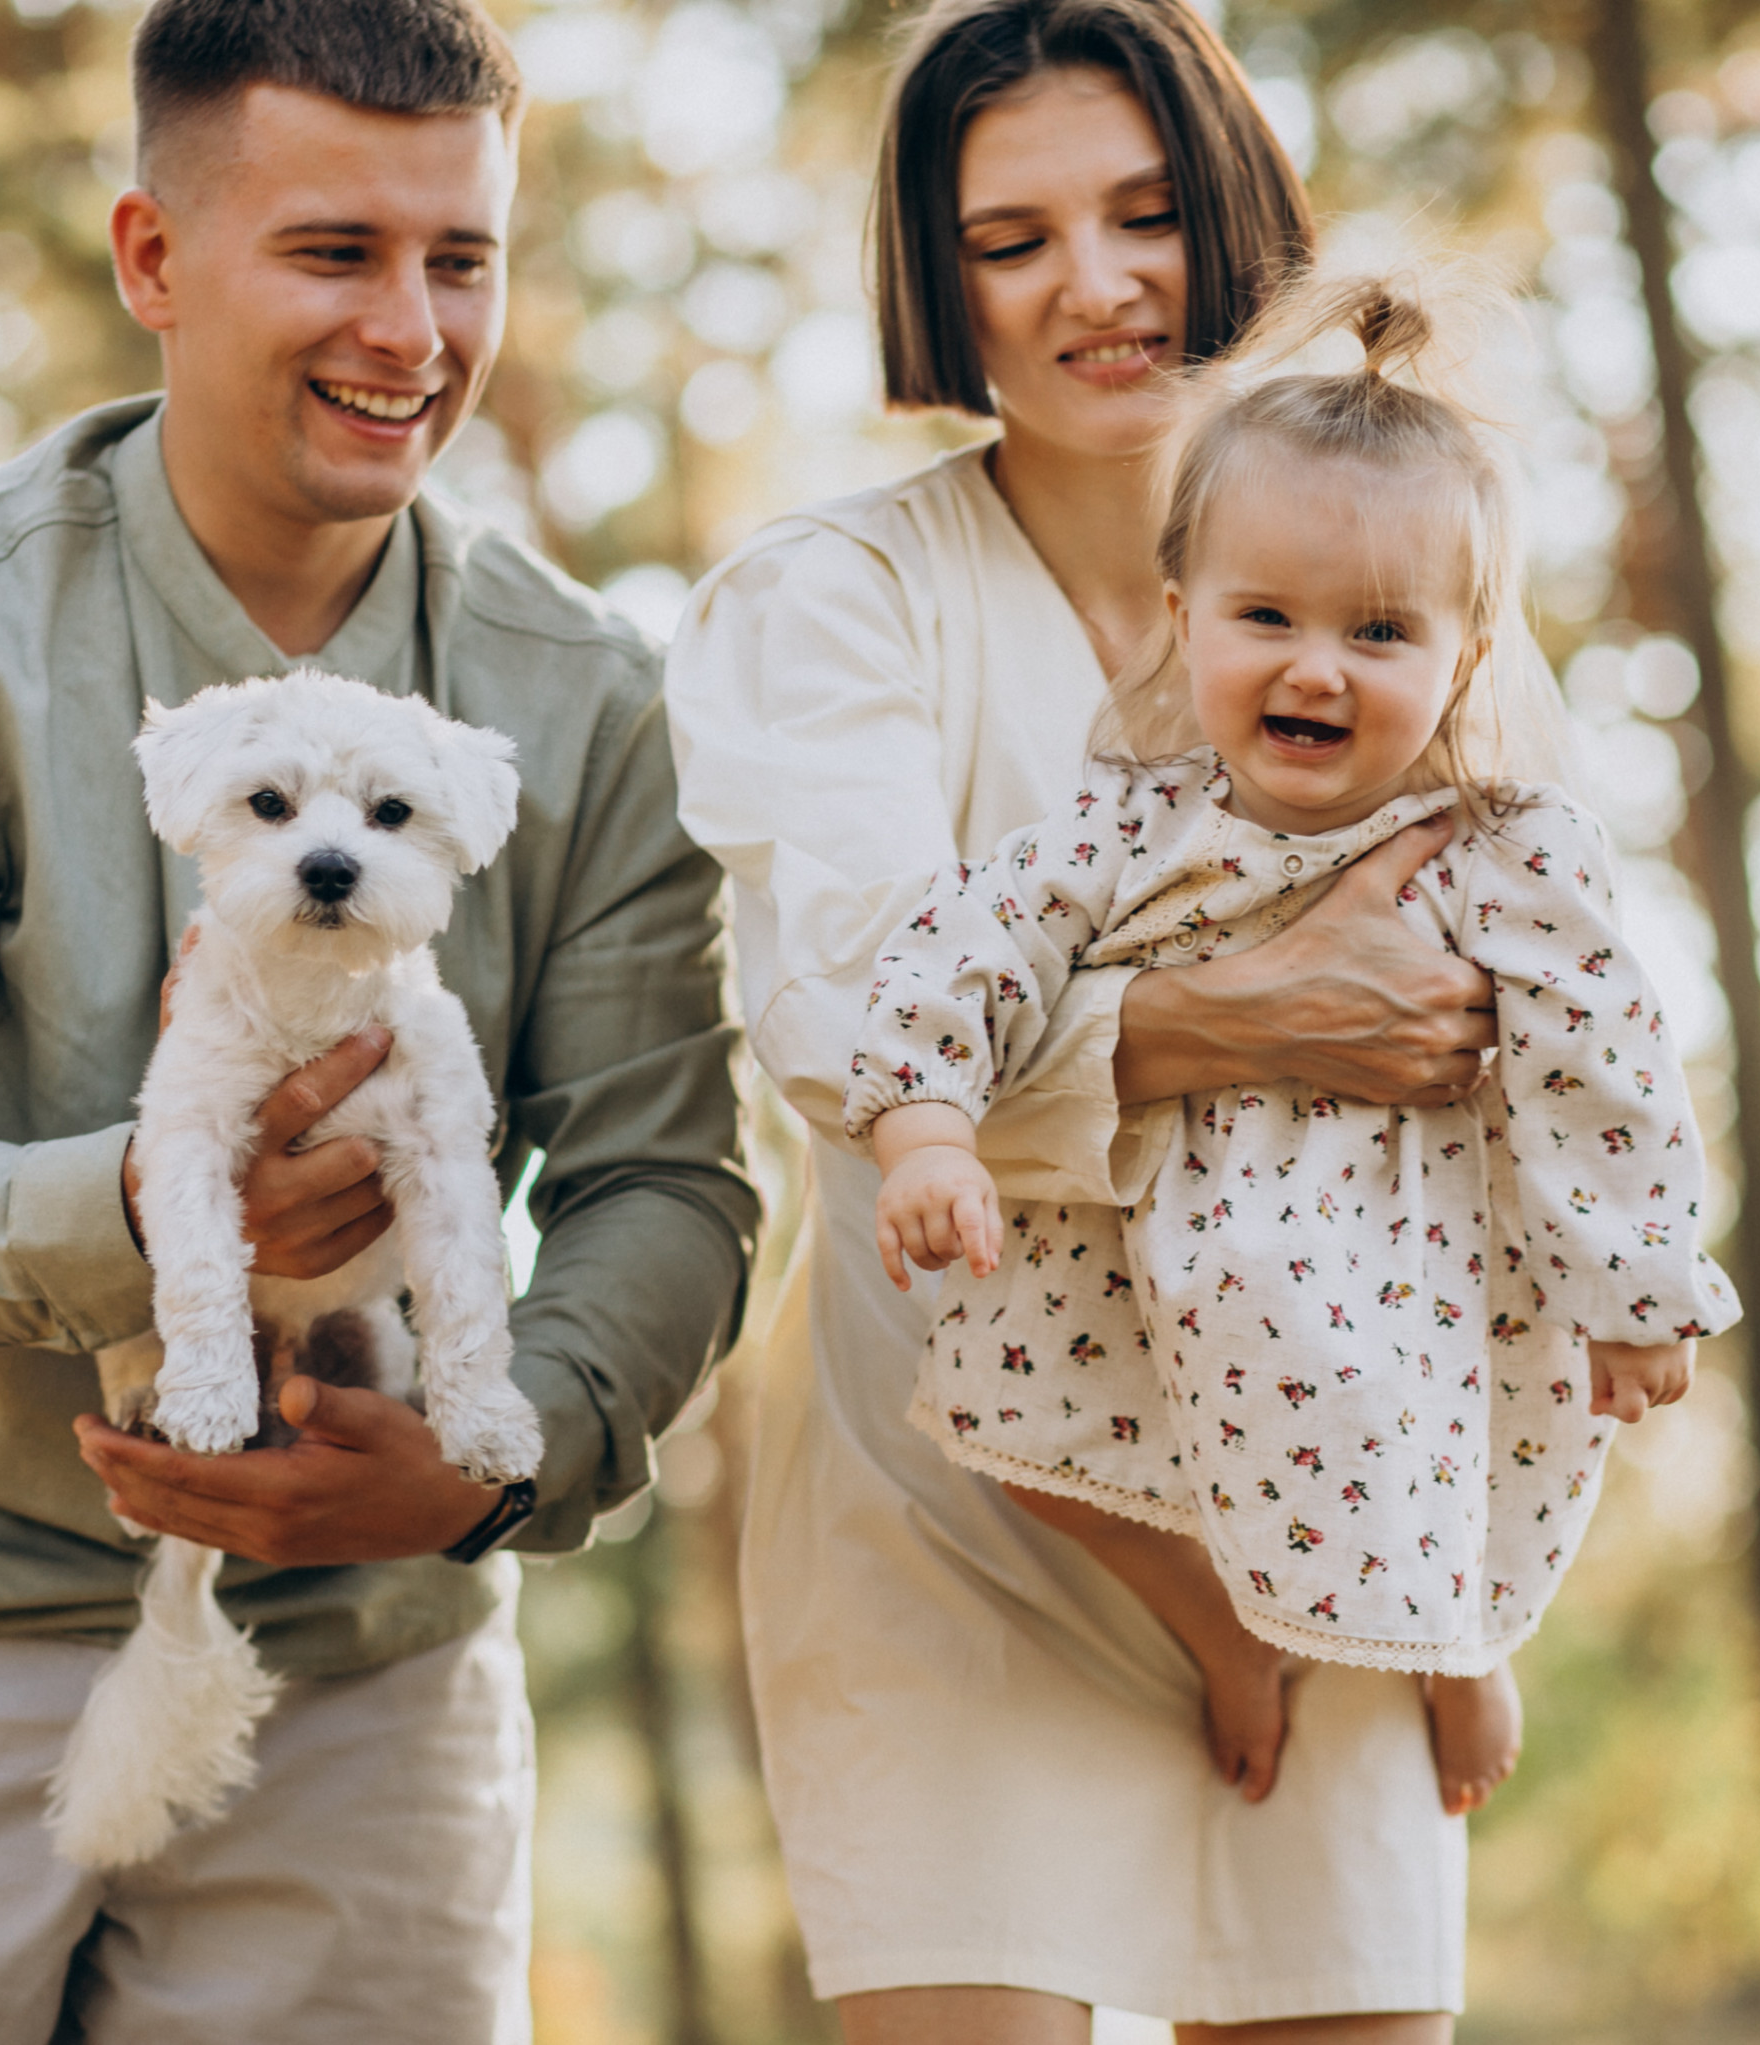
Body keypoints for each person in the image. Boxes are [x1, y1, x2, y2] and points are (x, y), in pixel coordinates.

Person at [0, 2, 755, 2039]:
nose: (411, 330)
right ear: (154, 259)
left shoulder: (587, 699)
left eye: (462, 258)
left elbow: (668, 1185)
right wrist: (166, 1217)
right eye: (336, 252)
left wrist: (484, 1474)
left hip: (373, 1680)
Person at [663, 3, 1502, 2037]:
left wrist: (1455, 1566)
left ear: (1237, 217)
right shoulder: (836, 597)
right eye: (1010, 238)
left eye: (1143, 214)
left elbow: (1491, 1034)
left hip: (1335, 1487)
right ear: (935, 280)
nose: (1096, 289)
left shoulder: (1412, 576)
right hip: (958, 1516)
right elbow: (851, 1030)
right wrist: (1244, 1019)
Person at [851, 264, 1741, 1825]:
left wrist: (1635, 1280)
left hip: (1394, 1271)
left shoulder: (1500, 850)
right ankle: (1221, 1625)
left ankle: (1455, 1641)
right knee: (1004, 1433)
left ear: (1464, 661)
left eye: (1379, 630)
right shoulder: (1133, 821)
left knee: (1387, 1441)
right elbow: (968, 935)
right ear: (1186, 619)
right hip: (1137, 1269)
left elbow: (1606, 1063)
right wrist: (924, 1117)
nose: (1315, 665)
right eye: (1267, 617)